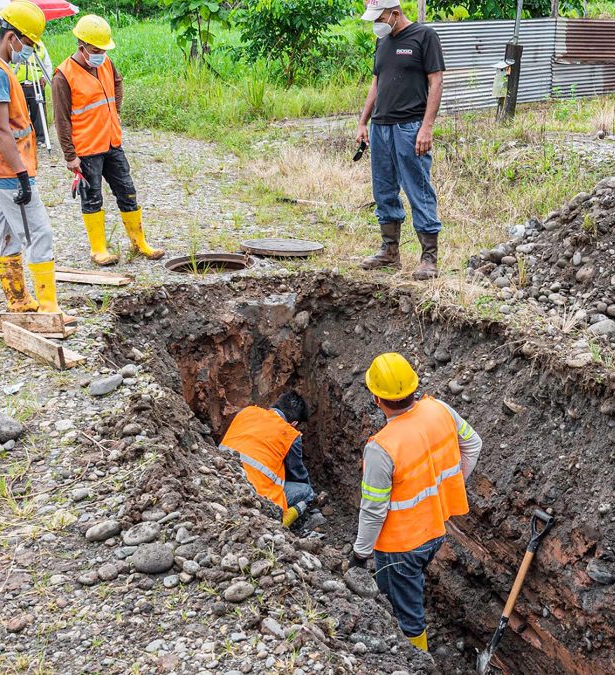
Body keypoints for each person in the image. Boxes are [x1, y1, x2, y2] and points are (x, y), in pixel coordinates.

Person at [349, 353, 482, 652]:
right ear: (413, 387)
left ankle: (415, 660)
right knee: (410, 587)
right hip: (435, 530)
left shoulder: (381, 448)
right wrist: (451, 484)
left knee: (406, 614)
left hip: (400, 547)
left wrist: (359, 555)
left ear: (376, 398)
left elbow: (373, 511)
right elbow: (473, 444)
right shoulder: (440, 410)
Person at [0, 0, 62, 314]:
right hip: (7, 170)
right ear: (12, 38)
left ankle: (18, 300)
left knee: (6, 232)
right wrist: (22, 174)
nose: (30, 51)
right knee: (38, 232)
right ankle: (48, 308)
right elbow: (0, 129)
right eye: (29, 44)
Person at [52, 14, 163, 267]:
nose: (100, 53)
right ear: (81, 46)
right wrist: (70, 155)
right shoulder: (63, 76)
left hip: (112, 143)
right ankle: (98, 249)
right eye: (95, 49)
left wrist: (116, 112)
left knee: (127, 191)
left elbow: (118, 82)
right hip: (87, 148)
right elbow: (61, 119)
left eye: (103, 48)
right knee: (92, 198)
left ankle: (139, 243)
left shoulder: (106, 63)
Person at [357, 0, 445, 281]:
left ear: (395, 13)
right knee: (383, 190)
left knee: (418, 189)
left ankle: (428, 258)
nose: (377, 24)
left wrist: (427, 127)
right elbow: (376, 82)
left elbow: (436, 81)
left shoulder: (424, 37)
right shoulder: (382, 42)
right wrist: (363, 121)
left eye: (380, 17)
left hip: (410, 127)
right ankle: (389, 251)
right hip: (381, 127)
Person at [218, 392, 318, 526]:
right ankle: (280, 524)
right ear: (294, 423)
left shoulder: (247, 412)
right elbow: (297, 474)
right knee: (307, 492)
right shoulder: (289, 434)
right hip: (258, 496)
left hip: (222, 480)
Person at [13, 39, 52, 146]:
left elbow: (47, 63)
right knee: (19, 114)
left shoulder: (40, 45)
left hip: (36, 83)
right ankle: (21, 138)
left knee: (39, 113)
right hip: (18, 84)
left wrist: (45, 77)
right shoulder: (15, 43)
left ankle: (41, 138)